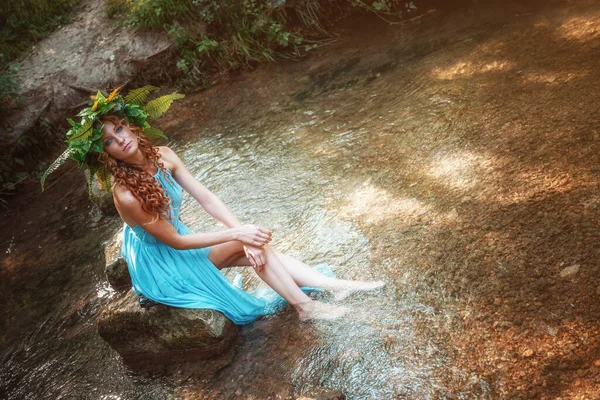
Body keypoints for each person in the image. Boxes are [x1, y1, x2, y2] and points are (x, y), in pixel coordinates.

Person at [42, 86, 384, 324]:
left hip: (177, 240)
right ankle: (309, 304)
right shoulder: (126, 195)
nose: (120, 139)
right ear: (105, 154)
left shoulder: (162, 155)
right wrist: (239, 234)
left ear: (128, 124)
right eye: (109, 141)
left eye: (119, 128)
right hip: (161, 263)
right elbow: (173, 241)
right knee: (242, 242)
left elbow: (205, 196)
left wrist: (243, 231)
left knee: (250, 244)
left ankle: (328, 292)